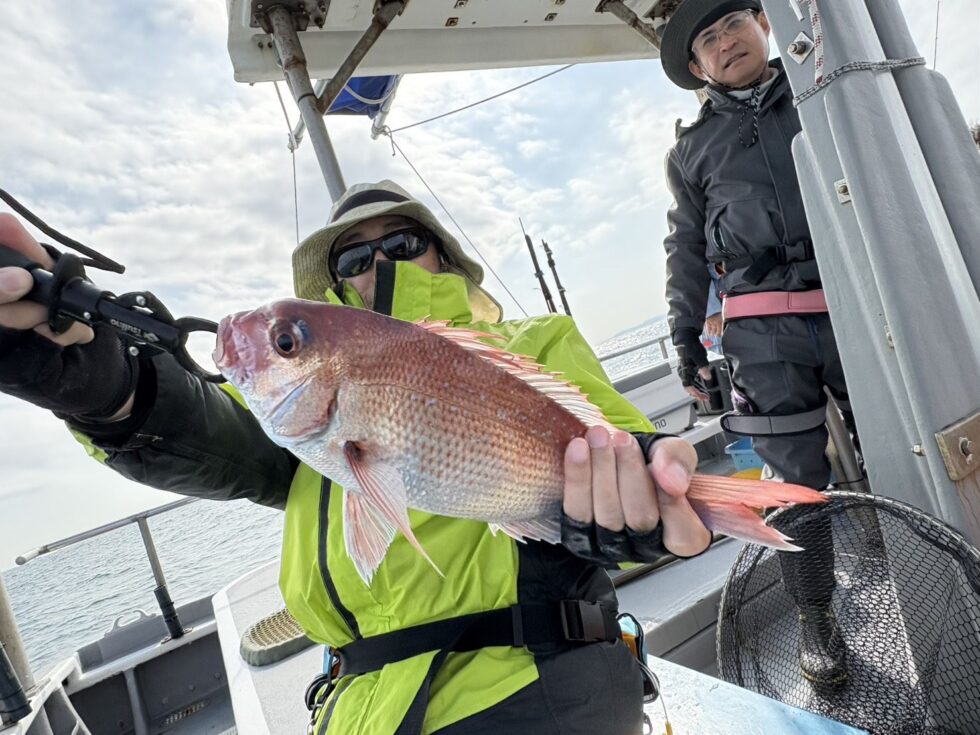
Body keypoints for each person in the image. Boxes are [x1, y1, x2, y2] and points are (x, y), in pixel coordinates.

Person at [0, 180, 711, 735]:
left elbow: (613, 440)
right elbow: (213, 433)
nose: (379, 263)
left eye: (402, 243)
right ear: (335, 287)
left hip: (525, 682)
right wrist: (110, 384)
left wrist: (636, 494)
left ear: (442, 255)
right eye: (352, 257)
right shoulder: (306, 416)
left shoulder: (532, 342)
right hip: (355, 708)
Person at [658, 0, 855, 691]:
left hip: (857, 296)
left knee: (903, 439)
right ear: (696, 67)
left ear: (765, 25)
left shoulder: (823, 83)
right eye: (707, 40)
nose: (724, 42)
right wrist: (686, 339)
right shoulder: (690, 152)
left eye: (732, 24)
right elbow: (685, 248)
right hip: (761, 332)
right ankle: (816, 618)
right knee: (794, 481)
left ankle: (940, 557)